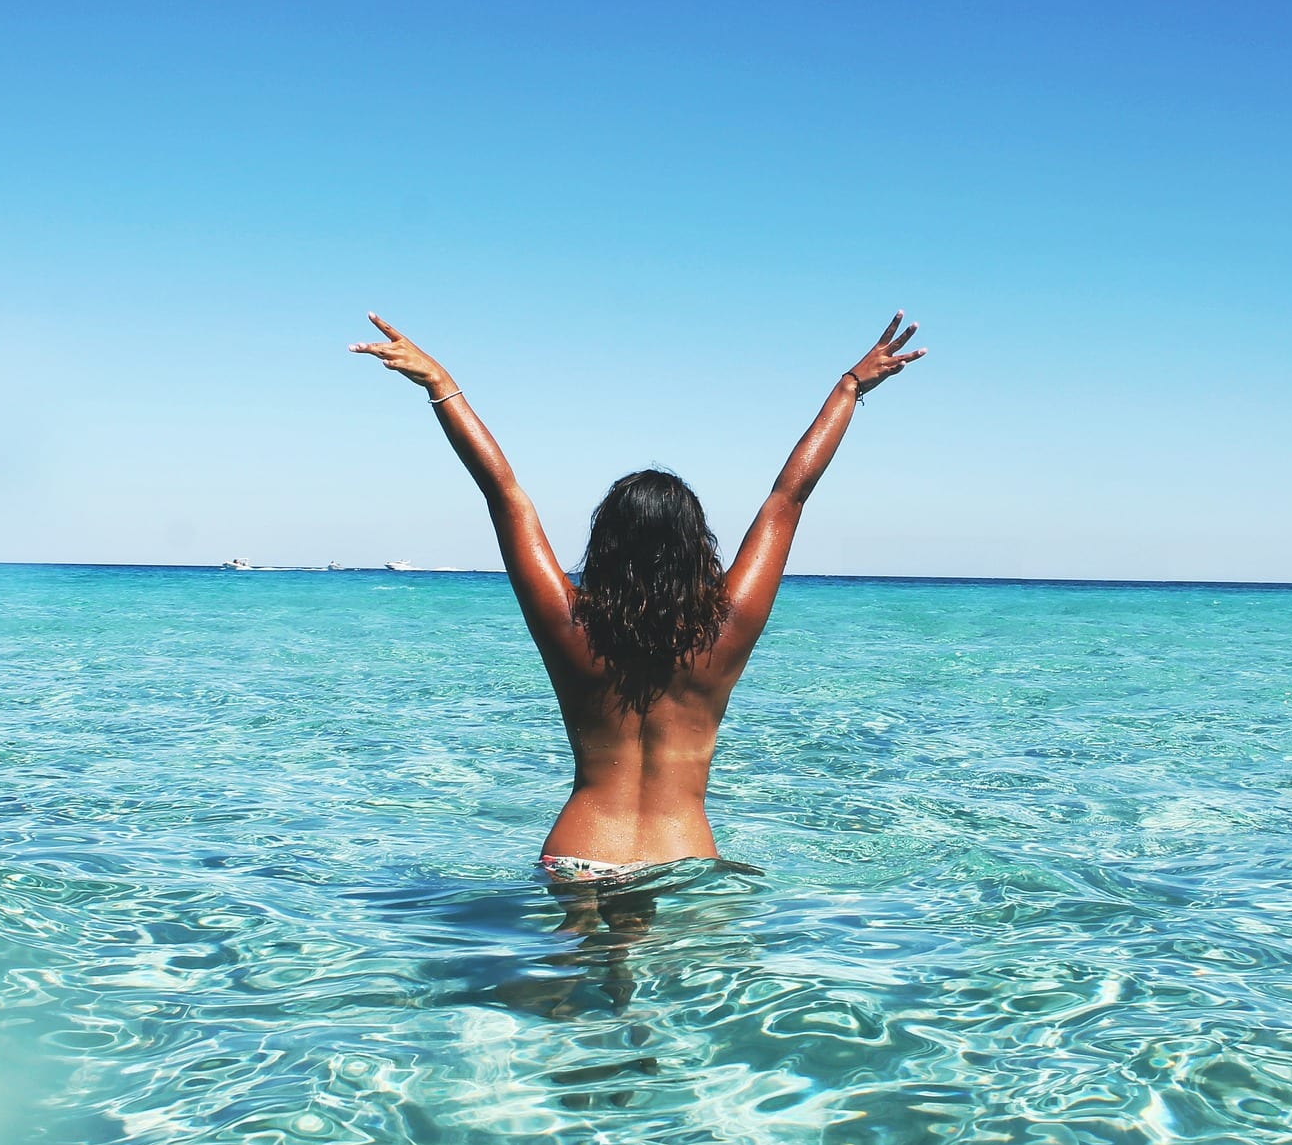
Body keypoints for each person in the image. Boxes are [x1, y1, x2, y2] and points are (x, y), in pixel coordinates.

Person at [349, 310, 925, 886]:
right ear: (696, 546)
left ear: (604, 543)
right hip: (682, 861)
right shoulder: (724, 633)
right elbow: (787, 498)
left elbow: (504, 494)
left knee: (564, 979)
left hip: (578, 856)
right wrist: (848, 389)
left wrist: (441, 385)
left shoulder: (571, 626)